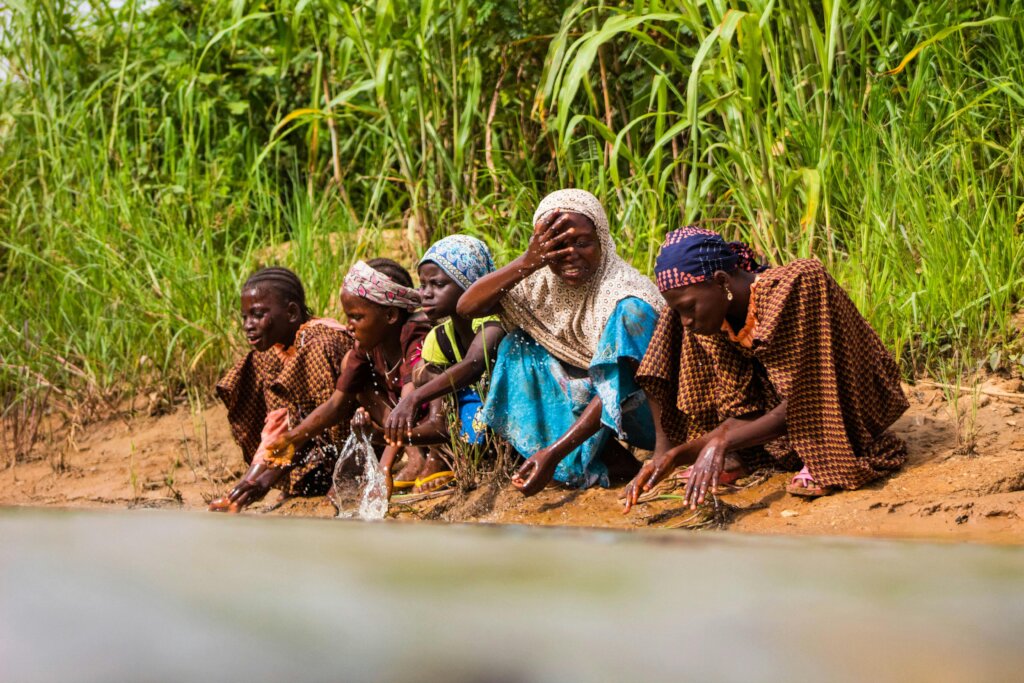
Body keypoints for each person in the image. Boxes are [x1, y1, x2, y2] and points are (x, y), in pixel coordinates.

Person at [622, 226, 909, 513]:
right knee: (673, 326)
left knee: (745, 435)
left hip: (841, 400)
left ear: (721, 281)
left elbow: (806, 400)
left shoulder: (797, 287)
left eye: (689, 307)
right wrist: (671, 456)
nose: (686, 320)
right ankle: (737, 456)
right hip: (786, 408)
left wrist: (720, 442)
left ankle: (822, 455)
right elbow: (744, 410)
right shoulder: (715, 319)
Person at [457, 189, 665, 495]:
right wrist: (528, 262)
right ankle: (598, 461)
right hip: (602, 411)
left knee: (607, 371)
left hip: (655, 418)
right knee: (517, 347)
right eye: (556, 245)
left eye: (583, 243)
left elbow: (616, 383)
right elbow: (467, 307)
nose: (571, 254)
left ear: (603, 240)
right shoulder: (538, 283)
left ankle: (564, 457)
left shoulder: (625, 297)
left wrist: (553, 453)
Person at [263, 258, 431, 498]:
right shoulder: (367, 345)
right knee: (353, 375)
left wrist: (383, 469)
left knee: (419, 378)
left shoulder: (414, 336)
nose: (349, 326)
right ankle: (414, 456)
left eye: (357, 317)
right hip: (402, 427)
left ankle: (424, 460)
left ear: (391, 315)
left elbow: (407, 405)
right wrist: (293, 437)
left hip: (428, 423)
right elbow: (337, 404)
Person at [209, 267, 353, 513]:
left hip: (353, 434)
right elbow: (278, 424)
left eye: (258, 314)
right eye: (245, 317)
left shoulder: (321, 343)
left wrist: (264, 479)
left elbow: (333, 413)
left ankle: (348, 477)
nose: (248, 325)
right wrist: (248, 484)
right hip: (306, 441)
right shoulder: (273, 352)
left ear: (292, 312)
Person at [379, 235, 506, 494]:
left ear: (469, 285)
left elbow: (472, 365)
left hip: (506, 421)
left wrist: (412, 400)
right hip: (469, 428)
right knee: (426, 374)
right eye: (423, 284)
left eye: (437, 284)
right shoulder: (438, 338)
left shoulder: (494, 324)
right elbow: (440, 421)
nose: (425, 293)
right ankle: (448, 459)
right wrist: (388, 444)